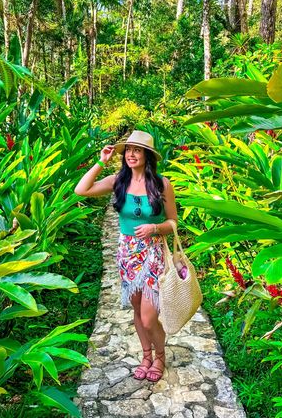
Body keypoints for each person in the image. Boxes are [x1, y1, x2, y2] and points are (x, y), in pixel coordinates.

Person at [74, 130, 178, 383]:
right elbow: (81, 190)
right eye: (128, 150)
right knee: (136, 308)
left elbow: (173, 221)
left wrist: (155, 228)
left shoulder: (162, 184)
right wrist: (101, 161)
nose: (131, 154)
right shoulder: (117, 181)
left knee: (148, 315)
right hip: (127, 254)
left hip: (154, 253)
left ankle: (160, 356)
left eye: (137, 150)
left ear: (147, 155)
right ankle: (145, 355)